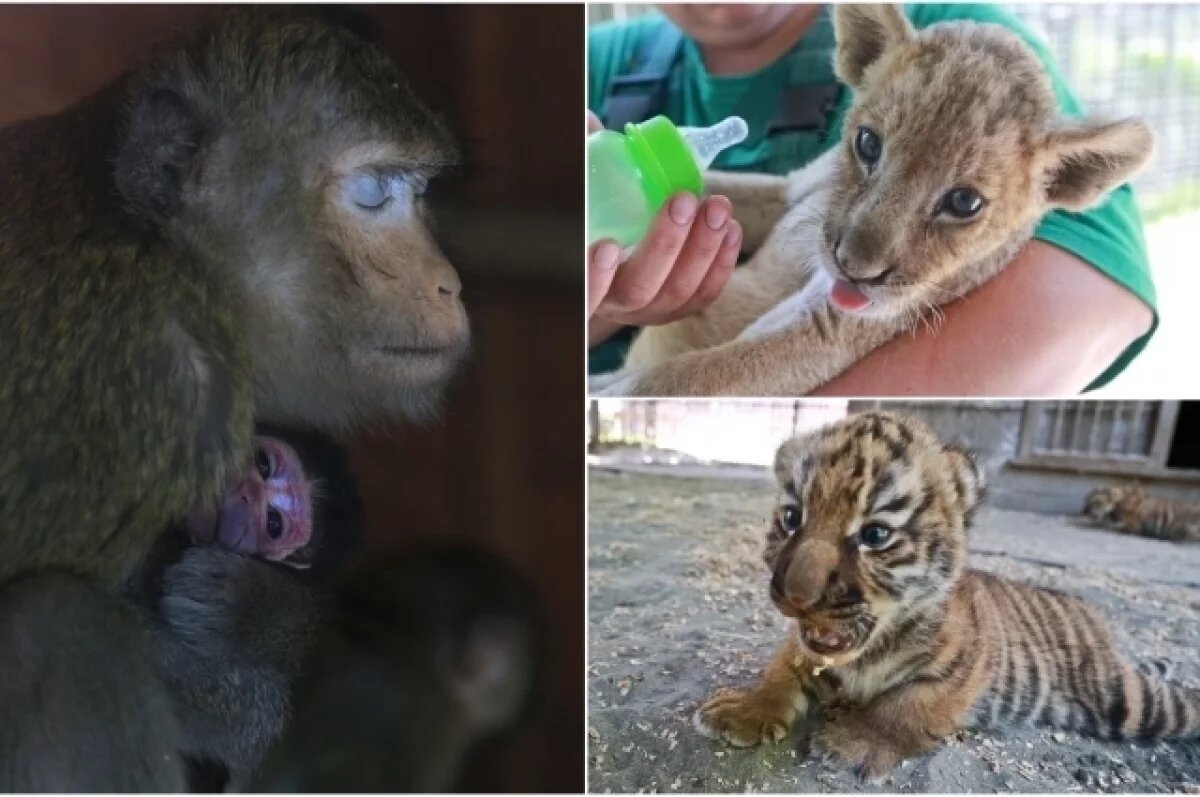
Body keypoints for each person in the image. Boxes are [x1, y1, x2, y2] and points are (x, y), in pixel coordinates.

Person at [586, 4, 1156, 395]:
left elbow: (1093, 308)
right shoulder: (594, 60)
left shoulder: (958, 30)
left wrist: (622, 399)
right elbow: (785, 198)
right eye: (867, 146)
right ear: (860, 55)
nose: (858, 255)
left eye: (962, 203)